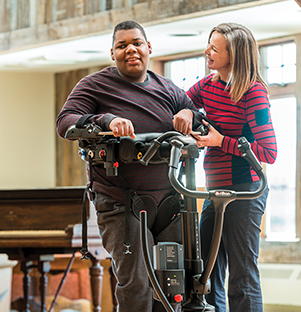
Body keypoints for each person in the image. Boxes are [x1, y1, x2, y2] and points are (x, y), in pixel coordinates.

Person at [56, 20, 197, 312]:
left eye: (136, 43)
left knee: (174, 284)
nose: (130, 49)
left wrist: (187, 111)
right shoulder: (95, 85)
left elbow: (196, 113)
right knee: (136, 283)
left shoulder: (167, 88)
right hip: (122, 201)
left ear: (148, 48)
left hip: (170, 201)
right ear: (112, 53)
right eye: (122, 45)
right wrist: (106, 121)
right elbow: (65, 121)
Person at [187, 22, 277, 312]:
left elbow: (269, 152)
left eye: (214, 48)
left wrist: (219, 141)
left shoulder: (254, 94)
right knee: (207, 272)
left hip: (245, 191)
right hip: (215, 190)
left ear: (234, 55)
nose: (207, 52)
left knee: (242, 274)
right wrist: (187, 110)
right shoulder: (208, 85)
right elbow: (181, 101)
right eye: (209, 44)